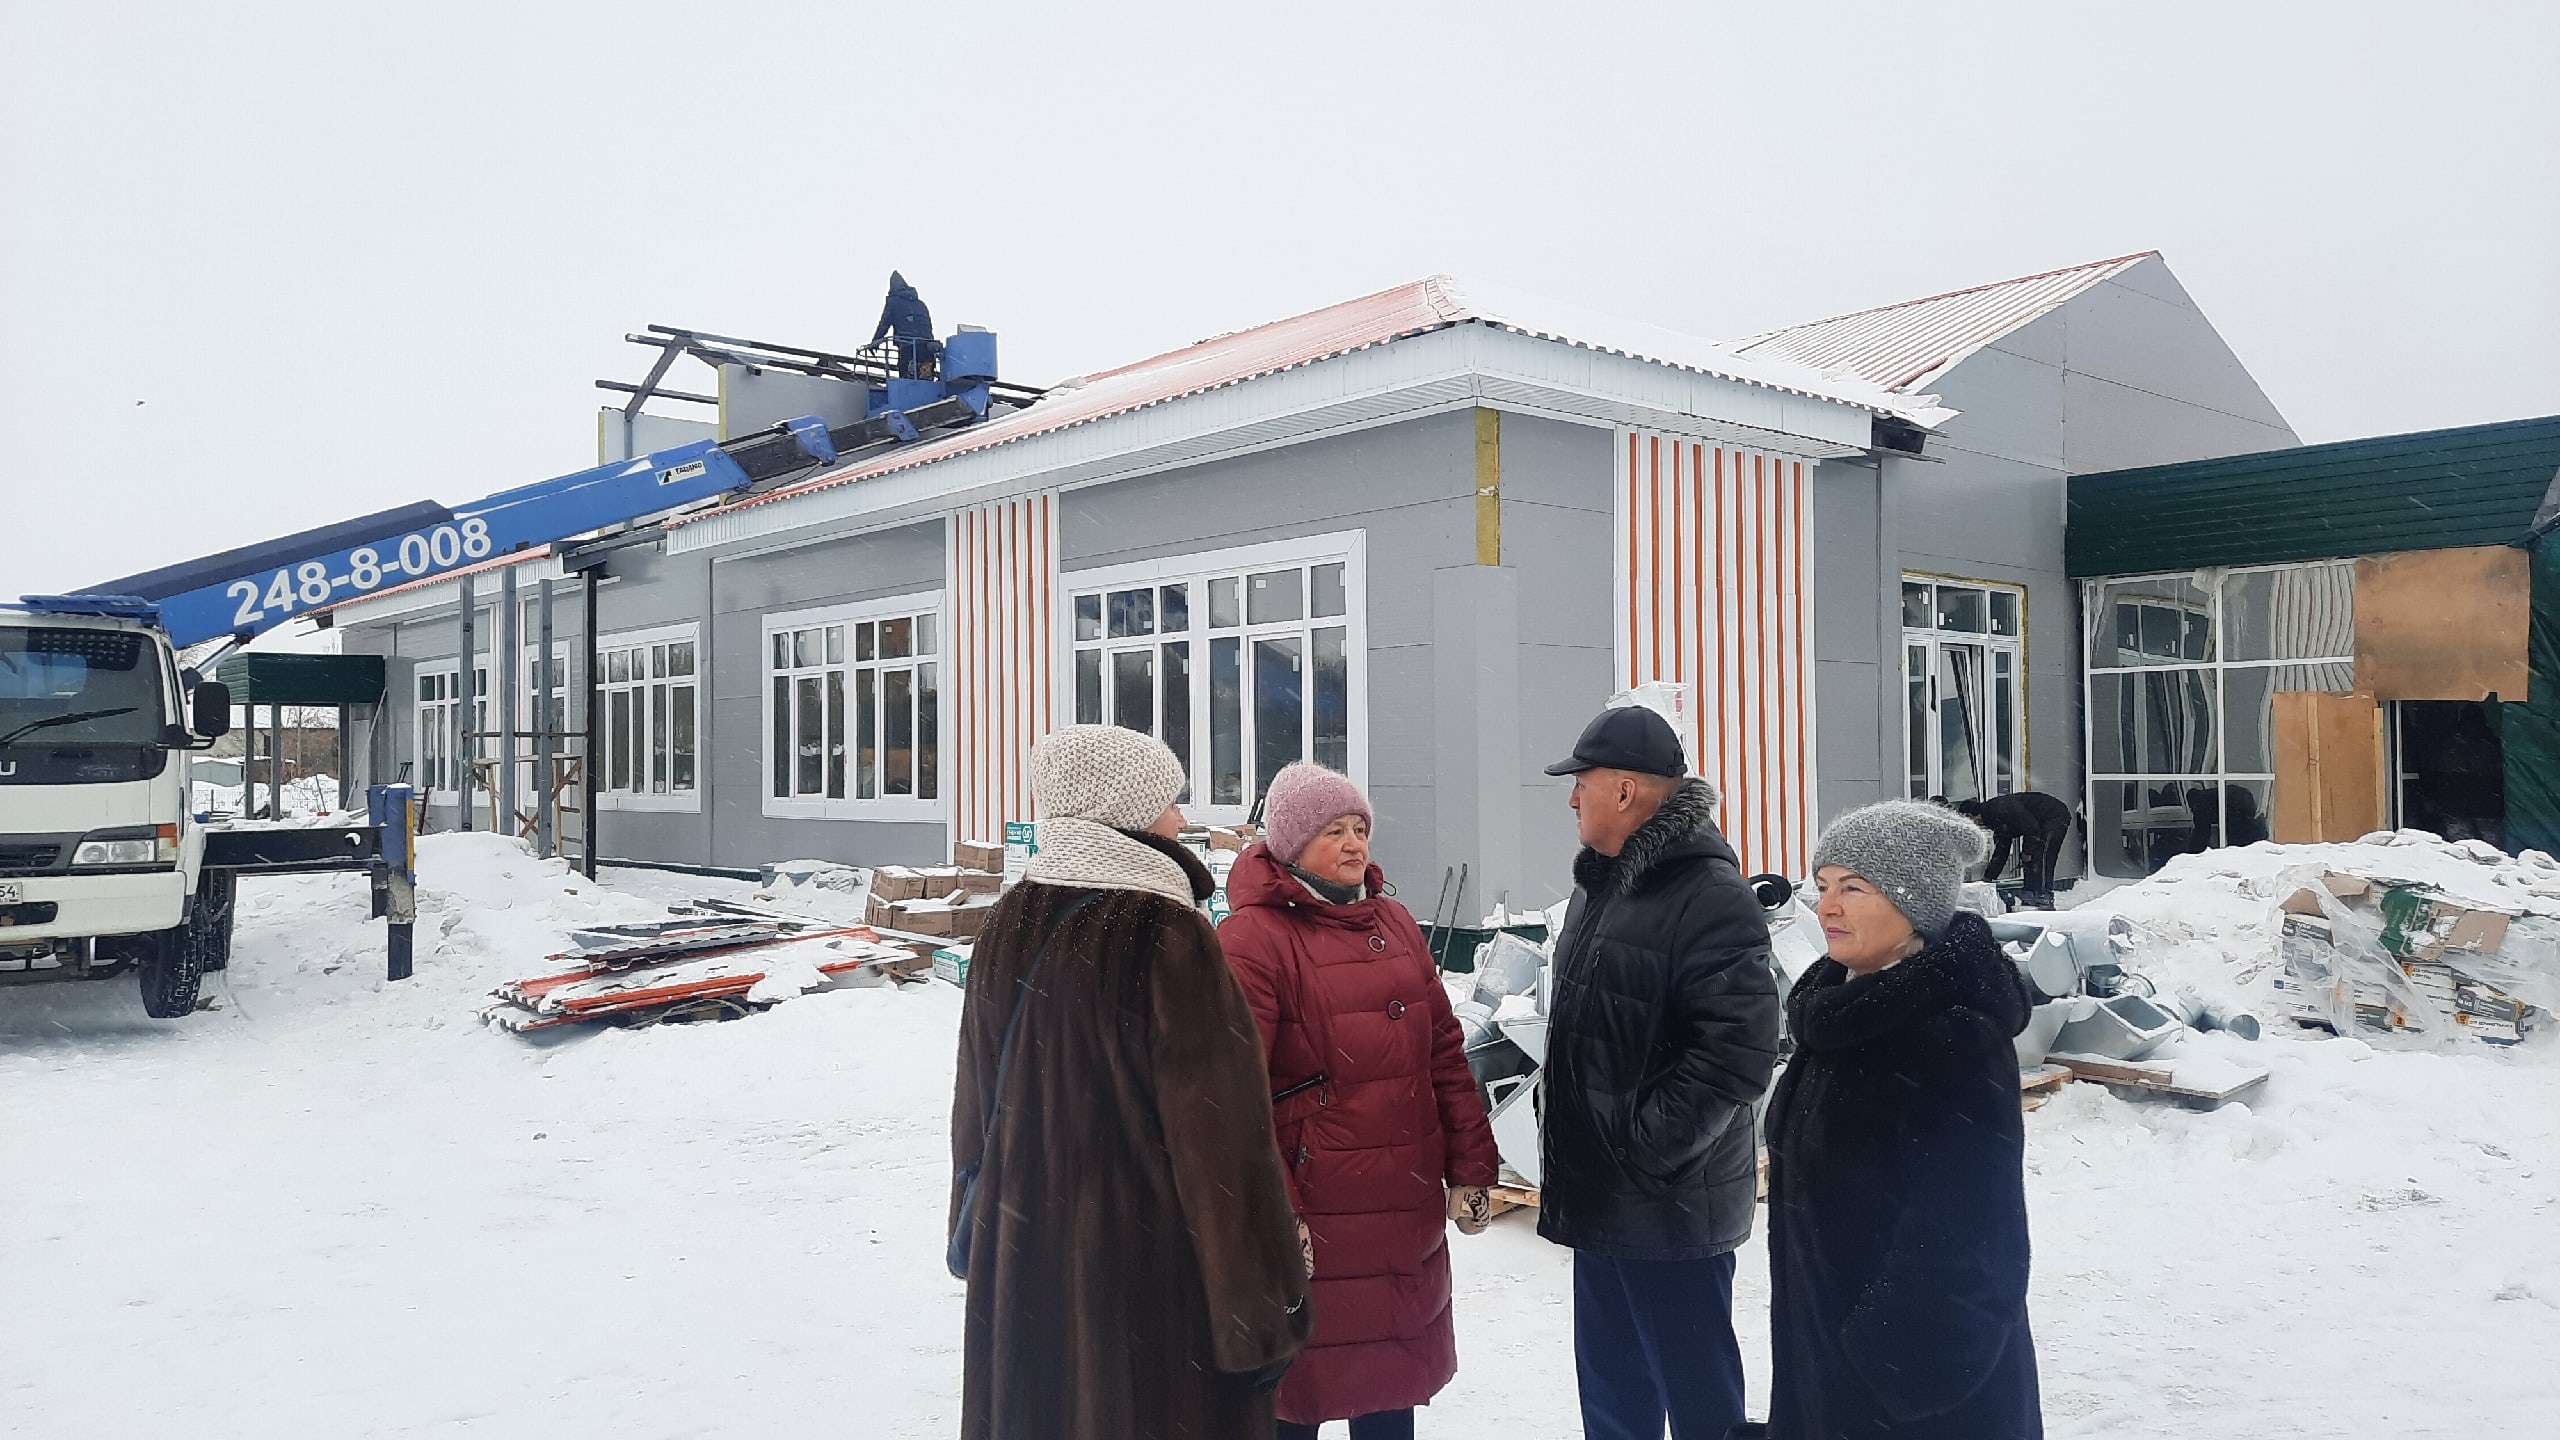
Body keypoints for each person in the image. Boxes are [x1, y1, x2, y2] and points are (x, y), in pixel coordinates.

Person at [949, 725, 1311, 1440]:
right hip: (1146, 1286)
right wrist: (1262, 1314)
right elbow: (1222, 1146)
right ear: (1126, 813)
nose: (1181, 819)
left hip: (1023, 1268)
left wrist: (976, 1233)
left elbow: (974, 1109)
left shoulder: (1008, 919)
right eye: (1168, 802)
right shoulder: (1168, 933)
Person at [1219, 762, 1503, 1440]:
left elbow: (1444, 1052)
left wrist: (1471, 1165)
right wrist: (1277, 1213)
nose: (1354, 844)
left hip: (1403, 1207)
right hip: (1318, 1213)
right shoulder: (1252, 939)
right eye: (1333, 831)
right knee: (1299, 1395)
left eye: (1359, 828)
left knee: (1387, 1389)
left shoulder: (1395, 922)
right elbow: (1234, 1097)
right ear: (1291, 843)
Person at [1535, 703, 1781, 1440]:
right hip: (1603, 1199)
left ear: (1625, 791)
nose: (1571, 800)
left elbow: (1738, 1051)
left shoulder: (1709, 895)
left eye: (1581, 782)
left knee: (1698, 1400)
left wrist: (1644, 1150)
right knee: (1613, 1397)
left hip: (1669, 1205)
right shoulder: (1603, 886)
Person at [1765, 800, 2043, 1440]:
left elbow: (1971, 1240)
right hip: (1831, 1368)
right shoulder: (1842, 1016)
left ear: (1913, 904)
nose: (1827, 908)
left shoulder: (1950, 1037)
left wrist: (1887, 1367)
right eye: (1823, 886)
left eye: (1853, 888)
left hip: (1915, 1399)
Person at [1945, 791, 2072, 908]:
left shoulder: (1999, 808)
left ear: (1973, 816)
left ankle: (2043, 895)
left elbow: (2032, 828)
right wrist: (1988, 877)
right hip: (2039, 821)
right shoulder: (1993, 820)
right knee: (2031, 858)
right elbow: (2002, 850)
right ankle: (2031, 894)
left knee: (2042, 855)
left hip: (2054, 815)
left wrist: (2027, 851)